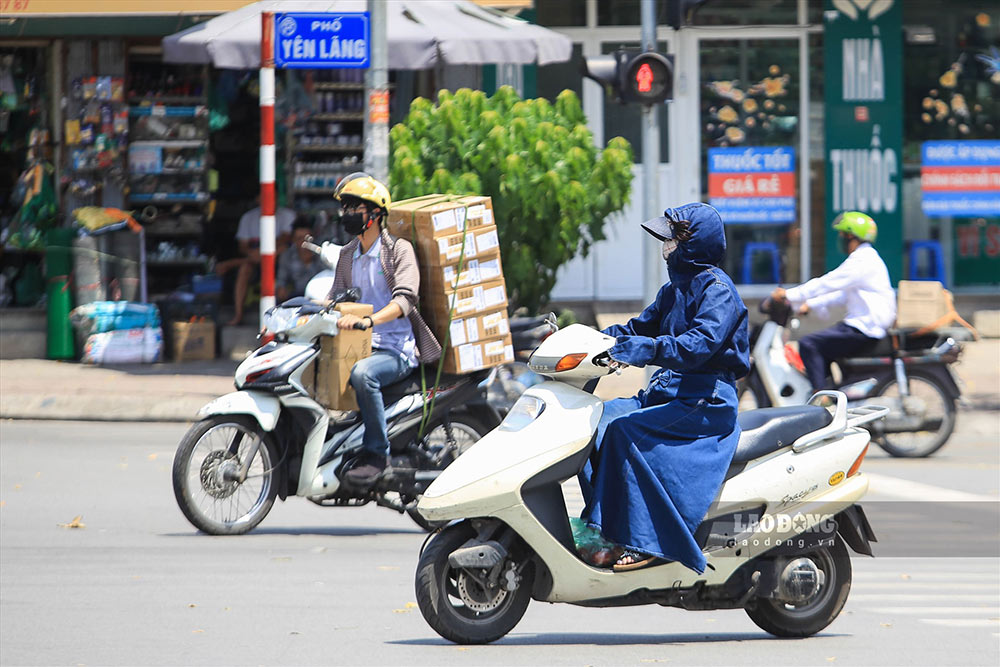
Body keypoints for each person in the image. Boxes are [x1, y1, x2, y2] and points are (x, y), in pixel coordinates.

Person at [580, 203, 749, 574]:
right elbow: (638, 329)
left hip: (705, 399)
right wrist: (584, 339)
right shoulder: (674, 290)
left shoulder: (717, 290)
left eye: (672, 240)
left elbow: (699, 344)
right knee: (595, 422)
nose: (666, 247)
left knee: (626, 431)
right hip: (669, 392)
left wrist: (651, 350)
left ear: (692, 244)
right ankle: (604, 529)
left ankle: (643, 540)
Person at [326, 173, 441, 487]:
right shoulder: (347, 255)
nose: (347, 215)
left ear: (375, 214)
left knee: (364, 375)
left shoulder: (398, 251)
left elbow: (404, 300)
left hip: (396, 348)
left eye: (354, 208)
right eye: (345, 208)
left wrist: (370, 321)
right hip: (360, 344)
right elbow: (335, 296)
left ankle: (378, 454)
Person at [771, 211, 896, 391]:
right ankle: (830, 392)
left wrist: (788, 295)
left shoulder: (862, 261)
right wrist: (810, 305)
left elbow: (827, 283)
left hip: (864, 328)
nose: (840, 239)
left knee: (808, 344)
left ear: (851, 236)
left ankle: (821, 398)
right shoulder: (867, 259)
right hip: (866, 326)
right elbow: (842, 295)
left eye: (842, 235)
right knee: (823, 348)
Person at [217, 199, 295, 325]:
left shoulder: (287, 215)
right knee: (245, 269)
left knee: (280, 250)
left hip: (279, 261)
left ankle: (230, 263)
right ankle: (238, 314)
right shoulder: (248, 218)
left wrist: (264, 251)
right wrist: (256, 254)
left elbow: (285, 240)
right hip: (255, 261)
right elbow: (243, 246)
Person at [276, 219, 323, 302]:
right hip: (295, 296)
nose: (303, 242)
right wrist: (281, 289)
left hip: (320, 296)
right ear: (293, 240)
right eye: (299, 238)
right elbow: (281, 279)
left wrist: (309, 262)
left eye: (307, 238)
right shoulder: (287, 255)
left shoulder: (321, 252)